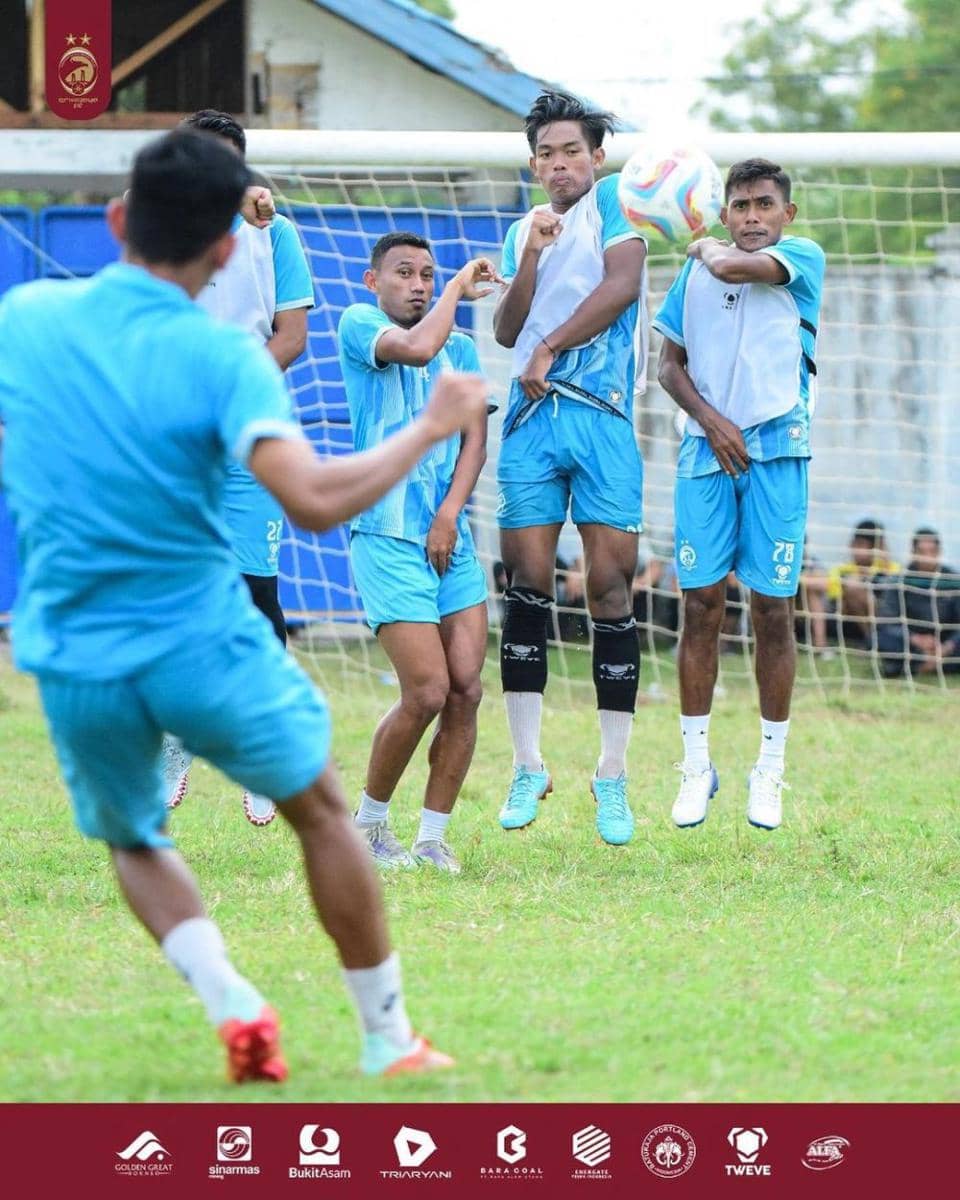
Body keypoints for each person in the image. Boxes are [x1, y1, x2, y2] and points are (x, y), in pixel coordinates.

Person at [0, 129, 488, 1082]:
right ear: (229, 251)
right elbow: (312, 501)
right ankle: (387, 1035)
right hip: (198, 641)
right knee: (324, 813)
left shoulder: (26, 318)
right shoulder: (228, 360)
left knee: (133, 836)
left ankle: (230, 999)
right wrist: (431, 426)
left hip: (72, 648)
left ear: (114, 222)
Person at [492, 90, 648, 846]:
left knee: (610, 585)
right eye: (546, 154)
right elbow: (505, 329)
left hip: (603, 416)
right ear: (534, 164)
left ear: (596, 157)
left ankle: (611, 775)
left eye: (571, 151)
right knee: (526, 586)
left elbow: (621, 288)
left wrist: (552, 346)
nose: (559, 164)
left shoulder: (620, 202)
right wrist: (530, 255)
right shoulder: (529, 225)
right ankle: (528, 765)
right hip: (528, 424)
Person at [654, 157, 826, 831]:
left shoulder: (800, 259)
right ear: (724, 211)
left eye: (763, 205)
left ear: (787, 213)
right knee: (699, 605)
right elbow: (669, 366)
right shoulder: (693, 276)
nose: (752, 217)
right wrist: (712, 422)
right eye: (740, 206)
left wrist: (700, 241)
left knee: (773, 610)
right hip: (705, 452)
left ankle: (770, 769)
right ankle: (696, 767)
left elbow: (729, 265)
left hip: (780, 453)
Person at [161, 109, 316, 829]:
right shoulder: (164, 236)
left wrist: (234, 387)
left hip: (252, 433)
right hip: (178, 438)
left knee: (257, 595)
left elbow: (292, 334)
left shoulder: (274, 232)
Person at [338, 233, 497, 874]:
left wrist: (450, 514)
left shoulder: (461, 348)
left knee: (466, 690)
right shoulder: (360, 324)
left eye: (430, 275)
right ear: (374, 281)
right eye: (405, 273)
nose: (420, 283)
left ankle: (432, 838)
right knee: (426, 690)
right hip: (385, 536)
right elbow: (416, 345)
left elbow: (474, 443)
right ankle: (369, 826)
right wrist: (460, 287)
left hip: (447, 537)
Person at [875, 527, 960, 677]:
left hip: (946, 642)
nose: (927, 557)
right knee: (879, 639)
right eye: (922, 552)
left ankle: (918, 667)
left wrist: (947, 646)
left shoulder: (953, 580)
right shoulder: (899, 580)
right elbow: (888, 620)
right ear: (913, 552)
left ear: (939, 552)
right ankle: (926, 664)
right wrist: (915, 638)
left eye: (932, 552)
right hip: (911, 642)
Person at [826, 518, 900, 649]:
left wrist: (884, 562)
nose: (855, 549)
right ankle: (871, 640)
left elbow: (896, 596)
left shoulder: (890, 569)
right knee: (853, 589)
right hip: (849, 622)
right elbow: (835, 601)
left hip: (882, 621)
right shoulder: (841, 570)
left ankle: (880, 640)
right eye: (854, 544)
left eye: (861, 545)